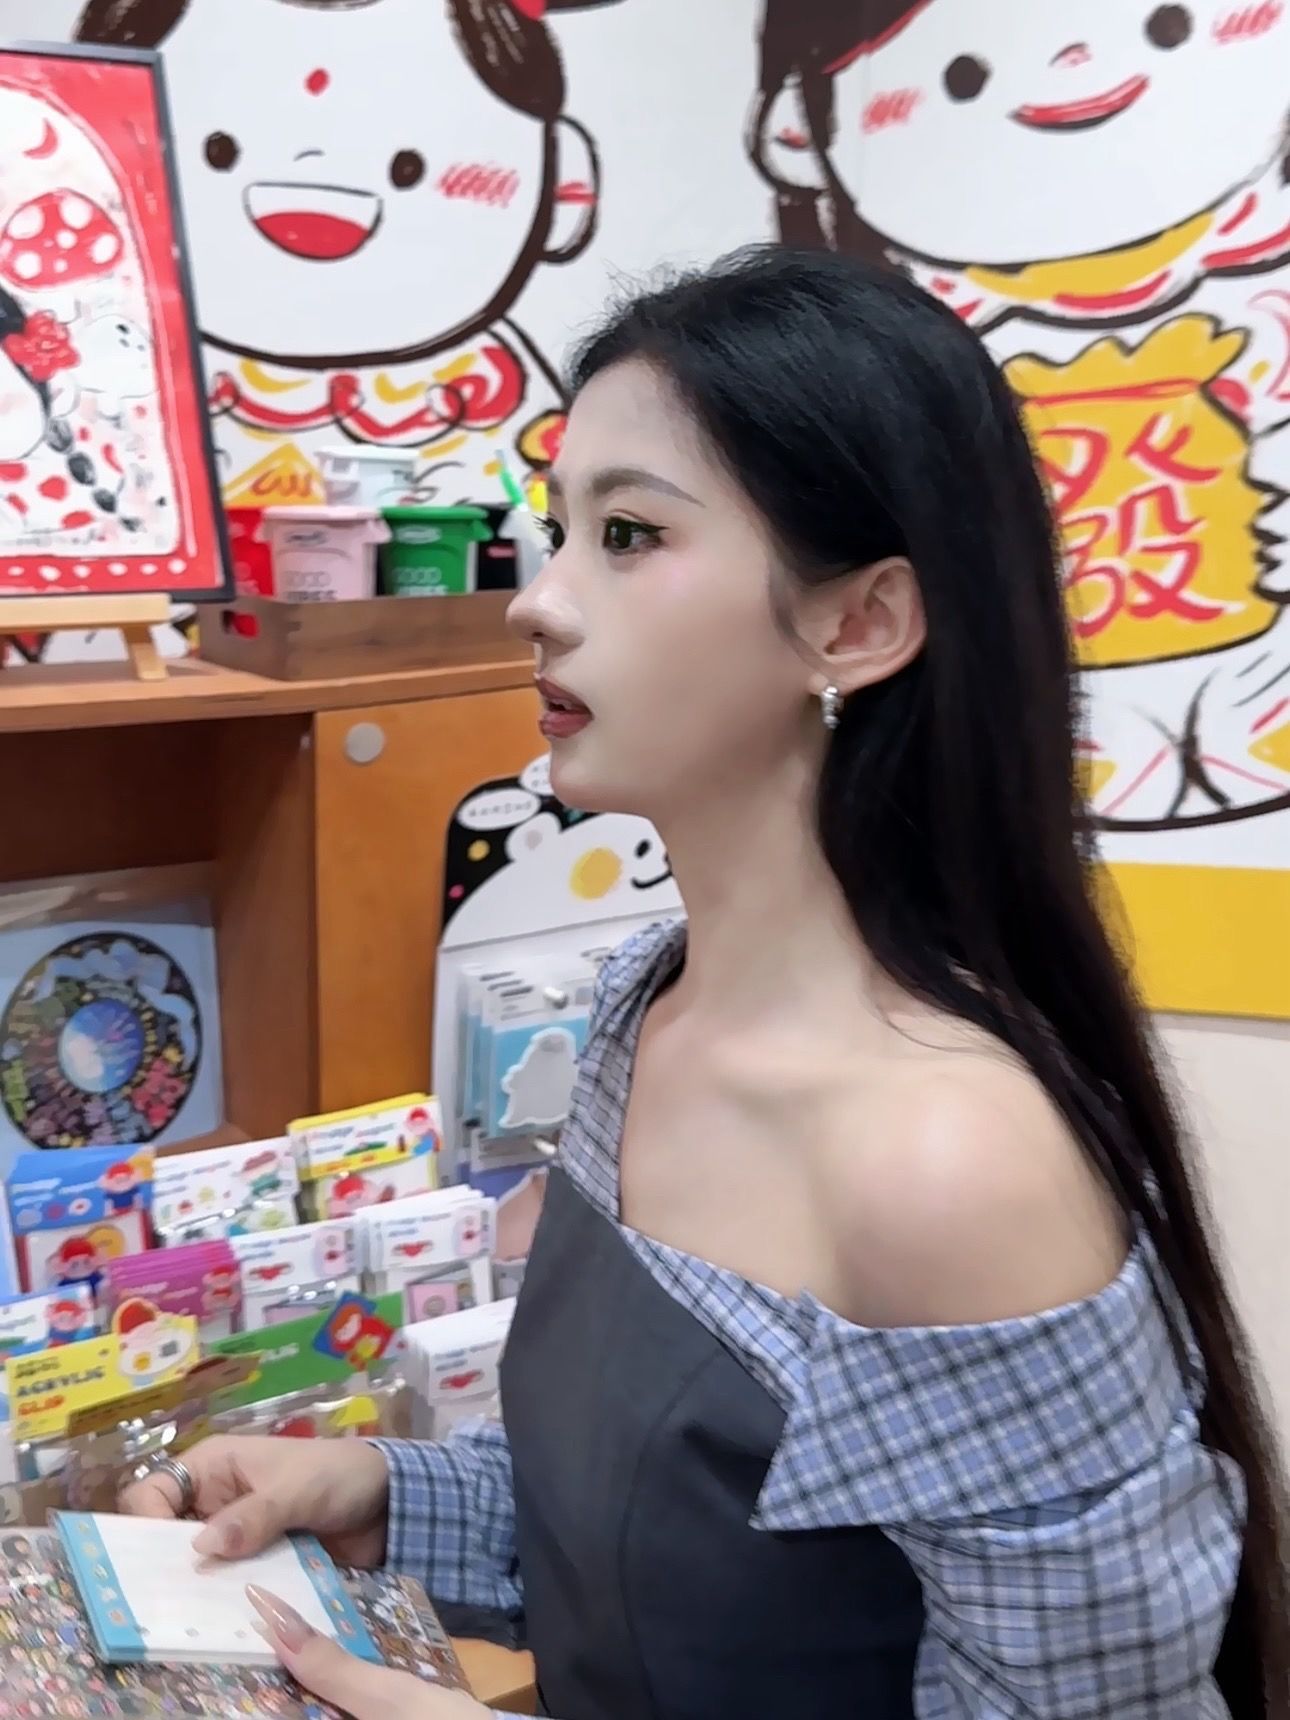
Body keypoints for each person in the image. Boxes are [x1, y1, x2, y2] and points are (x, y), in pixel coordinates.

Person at [127, 248, 1289, 1718]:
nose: (538, 604)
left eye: (628, 534)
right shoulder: (641, 1006)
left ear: (857, 624)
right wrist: (379, 1493)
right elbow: (685, 1540)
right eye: (558, 529)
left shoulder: (950, 1166)